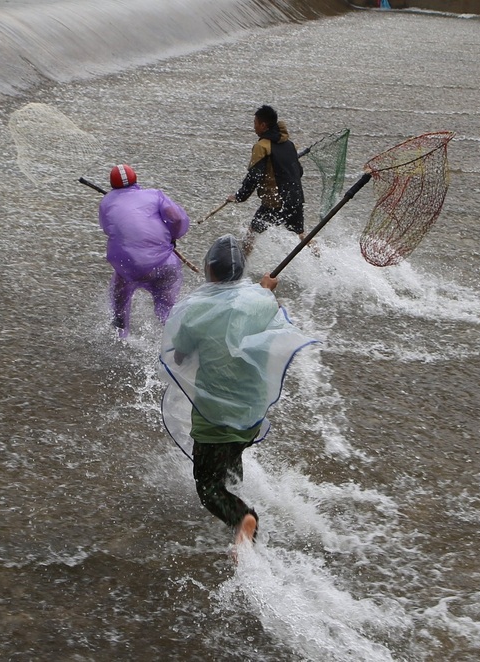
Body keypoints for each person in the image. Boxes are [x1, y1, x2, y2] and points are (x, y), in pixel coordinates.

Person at [158, 235, 316, 552]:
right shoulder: (260, 302)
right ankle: (237, 501)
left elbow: (179, 355)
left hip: (214, 415)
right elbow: (259, 307)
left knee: (207, 486)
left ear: (209, 272)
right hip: (251, 410)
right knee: (232, 454)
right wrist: (265, 290)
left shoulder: (196, 312)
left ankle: (241, 516)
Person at [98, 164, 190, 336]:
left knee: (119, 297)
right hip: (166, 264)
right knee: (168, 313)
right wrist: (172, 238)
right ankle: (181, 343)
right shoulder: (154, 195)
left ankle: (120, 332)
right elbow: (176, 218)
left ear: (112, 185)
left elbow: (110, 230)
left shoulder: (106, 203)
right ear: (136, 179)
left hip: (130, 268)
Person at [226, 105, 312, 257]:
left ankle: (240, 269)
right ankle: (323, 261)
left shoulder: (262, 147)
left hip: (276, 201)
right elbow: (299, 172)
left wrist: (239, 196)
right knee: (301, 236)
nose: (254, 127)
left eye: (256, 123)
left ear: (263, 125)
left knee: (252, 232)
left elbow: (254, 176)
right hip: (296, 199)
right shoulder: (289, 144)